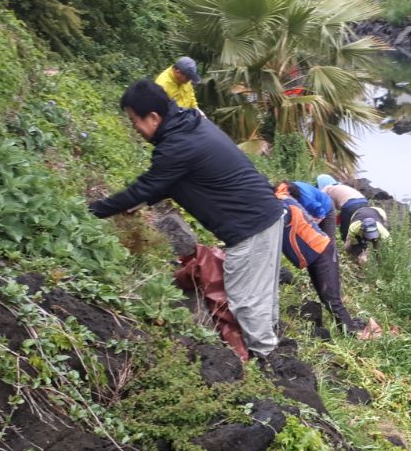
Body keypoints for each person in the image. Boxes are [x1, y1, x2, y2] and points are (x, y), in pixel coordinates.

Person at [89, 80, 284, 359]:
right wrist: (143, 202)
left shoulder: (178, 145)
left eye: (135, 121)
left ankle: (267, 361)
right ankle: (270, 348)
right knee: (259, 294)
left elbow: (148, 186)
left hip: (251, 225)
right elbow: (170, 182)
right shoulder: (190, 126)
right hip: (263, 214)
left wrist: (95, 211)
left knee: (245, 300)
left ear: (154, 117)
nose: (134, 128)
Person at [275, 181, 363, 335]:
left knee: (331, 294)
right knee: (325, 290)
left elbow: (320, 213)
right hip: (315, 248)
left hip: (324, 215)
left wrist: (309, 225)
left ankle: (350, 330)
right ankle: (345, 327)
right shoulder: (284, 200)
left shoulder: (290, 201)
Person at [316, 174, 390, 262]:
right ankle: (366, 254)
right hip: (363, 202)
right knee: (364, 228)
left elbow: (326, 208)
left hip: (350, 205)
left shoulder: (326, 190)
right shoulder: (340, 187)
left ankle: (356, 256)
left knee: (346, 231)